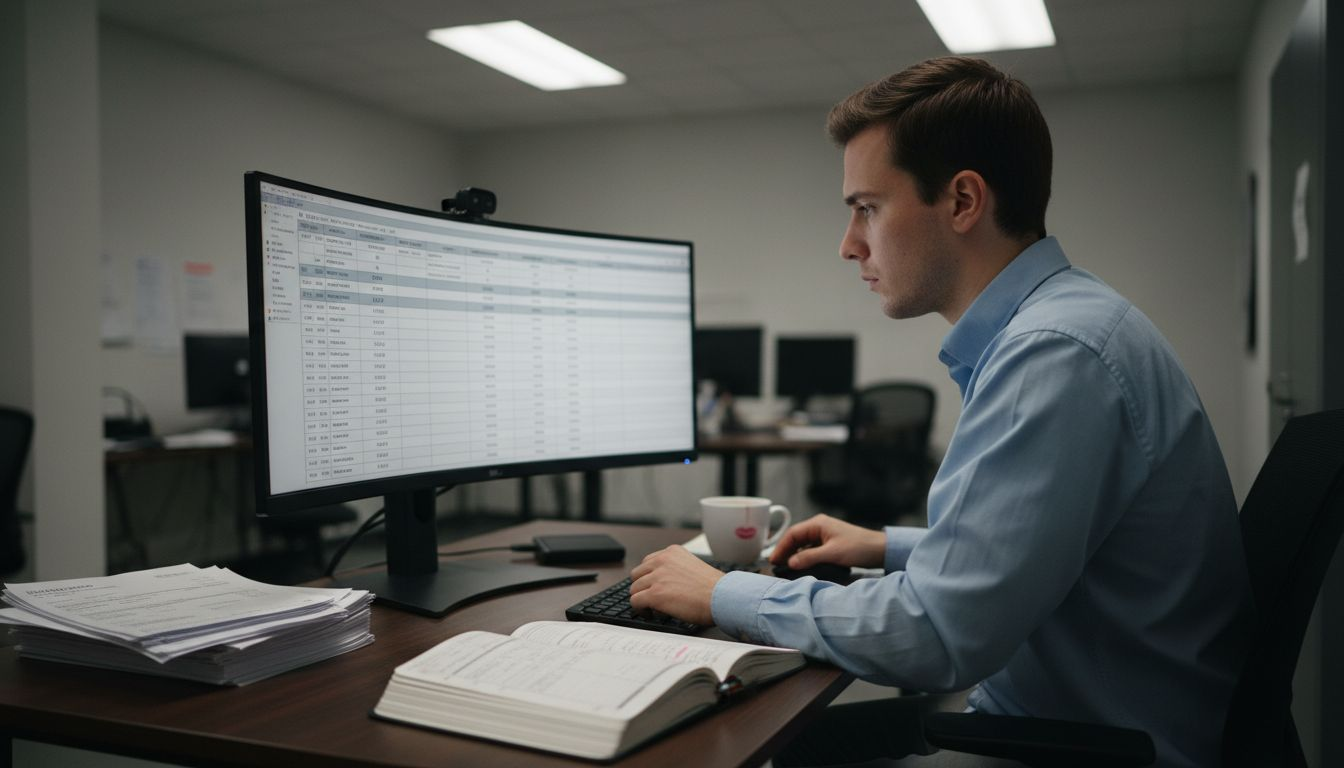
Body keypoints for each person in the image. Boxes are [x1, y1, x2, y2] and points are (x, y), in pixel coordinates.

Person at [629, 56, 1251, 768]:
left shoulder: (1052, 355)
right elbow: (1045, 554)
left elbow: (936, 637)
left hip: (1086, 749)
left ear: (962, 202)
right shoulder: (1069, 324)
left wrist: (720, 593)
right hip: (1074, 720)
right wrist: (885, 544)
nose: (848, 244)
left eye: (867, 207)